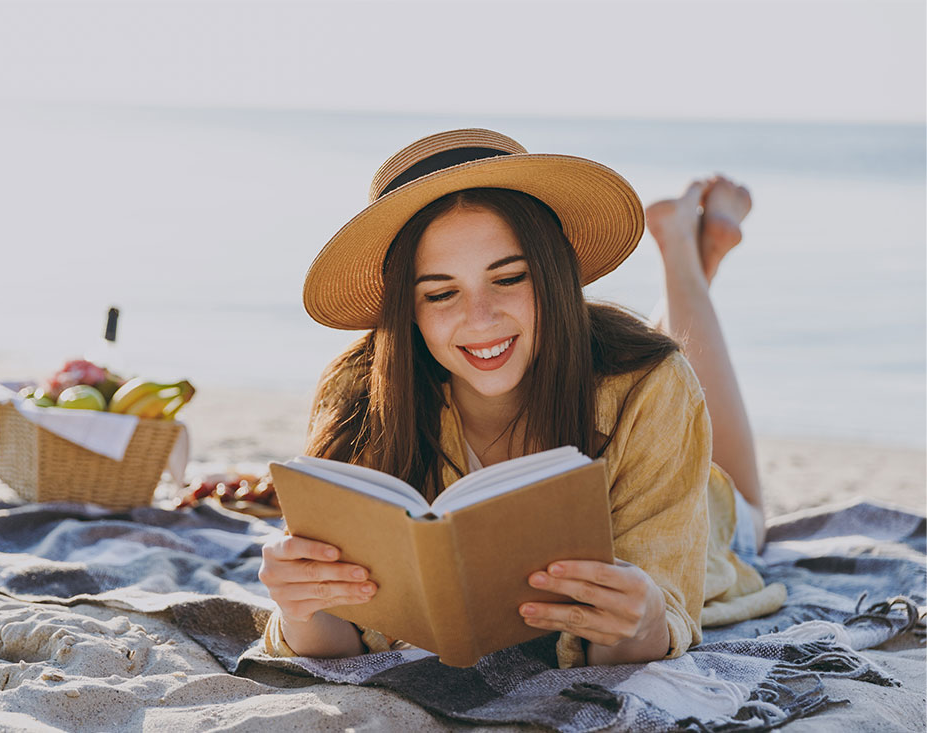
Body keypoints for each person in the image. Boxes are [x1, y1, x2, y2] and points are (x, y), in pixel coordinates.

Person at [259, 129, 785, 668]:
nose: (480, 318)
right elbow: (338, 636)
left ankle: (682, 253)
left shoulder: (654, 385)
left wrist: (646, 616)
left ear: (552, 273)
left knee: (743, 500)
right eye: (441, 293)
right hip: (588, 362)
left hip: (710, 516)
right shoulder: (358, 394)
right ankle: (693, 250)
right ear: (406, 308)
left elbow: (660, 614)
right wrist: (300, 608)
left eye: (509, 278)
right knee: (617, 357)